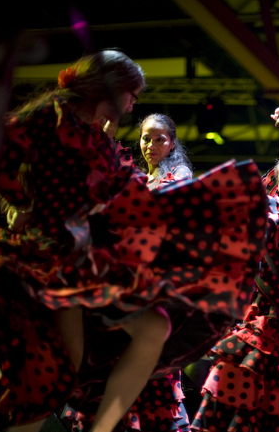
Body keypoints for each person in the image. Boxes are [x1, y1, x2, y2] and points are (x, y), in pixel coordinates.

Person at [0, 50, 268, 432]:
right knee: (54, 372)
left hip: (78, 262)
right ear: (109, 89)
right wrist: (20, 205)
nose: (133, 104)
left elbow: (127, 194)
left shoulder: (94, 136)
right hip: (45, 260)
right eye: (131, 94)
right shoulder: (48, 118)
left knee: (151, 331)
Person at [192, 106, 279, 432]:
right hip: (255, 311)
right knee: (237, 392)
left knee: (252, 397)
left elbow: (270, 210)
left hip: (277, 316)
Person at [63, 113, 194, 432]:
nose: (151, 145)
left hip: (154, 283)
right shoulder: (137, 176)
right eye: (146, 138)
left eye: (159, 138)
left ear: (172, 143)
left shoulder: (178, 172)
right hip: (124, 278)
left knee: (146, 361)